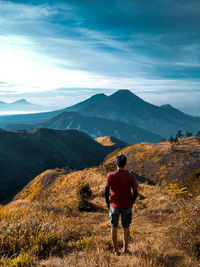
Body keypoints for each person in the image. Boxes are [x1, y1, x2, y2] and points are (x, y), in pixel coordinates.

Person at [104, 154, 138, 255]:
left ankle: (115, 249)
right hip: (127, 205)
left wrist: (107, 203)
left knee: (114, 227)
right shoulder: (130, 176)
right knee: (126, 228)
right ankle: (125, 249)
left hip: (114, 205)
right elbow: (135, 192)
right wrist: (131, 203)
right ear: (126, 164)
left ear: (116, 163)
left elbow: (106, 191)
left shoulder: (110, 175)